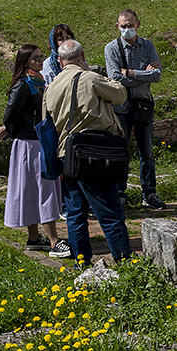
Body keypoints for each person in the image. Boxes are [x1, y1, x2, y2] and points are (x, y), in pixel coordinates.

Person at [44, 39, 131, 266]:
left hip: (67, 155)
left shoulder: (51, 87)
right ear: (82, 57)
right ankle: (125, 263)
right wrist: (91, 71)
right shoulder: (90, 78)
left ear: (60, 61)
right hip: (94, 154)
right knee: (110, 211)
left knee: (75, 212)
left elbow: (48, 120)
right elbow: (120, 95)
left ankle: (81, 261)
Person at [0, 44, 69, 258]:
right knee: (42, 189)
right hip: (30, 143)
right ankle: (54, 242)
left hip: (37, 141)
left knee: (37, 189)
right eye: (35, 58)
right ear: (25, 61)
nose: (40, 61)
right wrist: (9, 129)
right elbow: (11, 113)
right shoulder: (24, 85)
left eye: (41, 57)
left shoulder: (37, 82)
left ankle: (34, 238)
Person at [105, 8, 165, 211]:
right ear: (117, 26)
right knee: (121, 151)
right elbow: (115, 78)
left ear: (138, 24)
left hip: (143, 105)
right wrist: (142, 75)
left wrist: (130, 72)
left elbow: (156, 75)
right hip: (120, 107)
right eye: (123, 26)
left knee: (146, 153)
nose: (126, 30)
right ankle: (119, 193)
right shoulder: (112, 48)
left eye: (130, 26)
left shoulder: (148, 46)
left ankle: (149, 193)